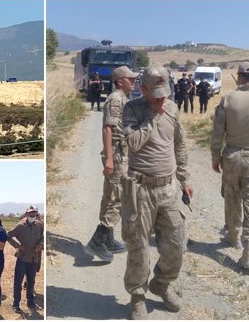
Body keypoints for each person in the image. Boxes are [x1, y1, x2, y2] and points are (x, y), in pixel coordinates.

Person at [121, 64, 193, 319]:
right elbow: (132, 143)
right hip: (140, 189)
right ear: (143, 89)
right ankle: (138, 297)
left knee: (176, 244)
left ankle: (161, 284)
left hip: (169, 187)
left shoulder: (172, 108)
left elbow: (180, 145)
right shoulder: (133, 108)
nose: (162, 98)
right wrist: (153, 115)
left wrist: (183, 179)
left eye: (165, 92)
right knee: (139, 247)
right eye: (156, 93)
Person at [211, 62, 249, 269]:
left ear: (238, 77)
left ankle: (233, 236)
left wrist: (215, 157)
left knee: (232, 197)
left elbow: (218, 132)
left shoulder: (227, 99)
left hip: (232, 156)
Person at [84, 66, 138, 262]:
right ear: (120, 81)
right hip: (115, 153)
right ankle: (97, 242)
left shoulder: (122, 98)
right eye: (130, 79)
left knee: (111, 196)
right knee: (118, 196)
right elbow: (108, 128)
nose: (133, 82)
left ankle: (108, 238)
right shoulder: (115, 99)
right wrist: (109, 157)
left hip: (119, 152)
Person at [7, 206, 44, 313]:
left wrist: (41, 244)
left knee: (31, 283)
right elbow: (8, 235)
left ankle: (31, 302)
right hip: (22, 259)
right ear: (26, 214)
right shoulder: (20, 226)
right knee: (17, 282)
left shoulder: (39, 225)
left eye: (35, 214)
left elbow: (42, 237)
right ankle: (16, 304)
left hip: (33, 259)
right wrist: (18, 245)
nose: (33, 216)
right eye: (31, 214)